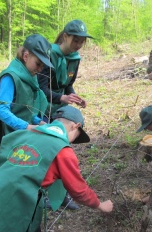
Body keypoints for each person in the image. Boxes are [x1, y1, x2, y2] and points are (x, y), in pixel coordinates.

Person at [38, 19, 92, 210]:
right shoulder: (48, 56)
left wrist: (74, 96)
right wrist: (62, 98)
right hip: (44, 109)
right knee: (46, 152)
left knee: (63, 151)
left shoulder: (74, 59)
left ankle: (61, 196)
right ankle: (42, 195)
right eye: (75, 40)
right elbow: (41, 89)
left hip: (60, 108)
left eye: (81, 42)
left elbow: (67, 84)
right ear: (66, 36)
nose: (78, 45)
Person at [0, 34, 52, 152]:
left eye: (42, 66)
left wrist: (39, 122)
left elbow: (25, 111)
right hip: (7, 137)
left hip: (21, 136)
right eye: (38, 64)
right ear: (26, 56)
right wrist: (26, 127)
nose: (40, 70)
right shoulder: (10, 77)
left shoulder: (30, 76)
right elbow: (1, 110)